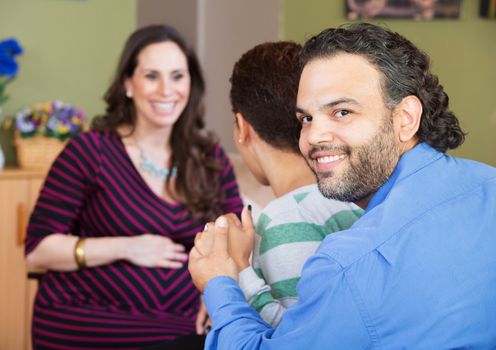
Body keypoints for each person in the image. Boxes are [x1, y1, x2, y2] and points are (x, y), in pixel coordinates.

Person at [188, 22, 496, 349]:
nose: (313, 136)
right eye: (306, 118)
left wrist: (221, 283)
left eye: (342, 112)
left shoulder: (347, 265)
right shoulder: (488, 185)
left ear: (406, 117)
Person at [24, 24, 243, 349]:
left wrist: (219, 291)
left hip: (185, 317)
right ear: (128, 83)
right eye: (152, 76)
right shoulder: (89, 152)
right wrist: (126, 247)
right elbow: (37, 252)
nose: (167, 89)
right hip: (88, 317)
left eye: (177, 76)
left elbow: (237, 236)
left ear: (191, 83)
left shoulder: (208, 158)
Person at [225, 41, 362, 327]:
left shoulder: (286, 218)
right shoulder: (353, 197)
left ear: (242, 128)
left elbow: (298, 336)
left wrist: (235, 271)